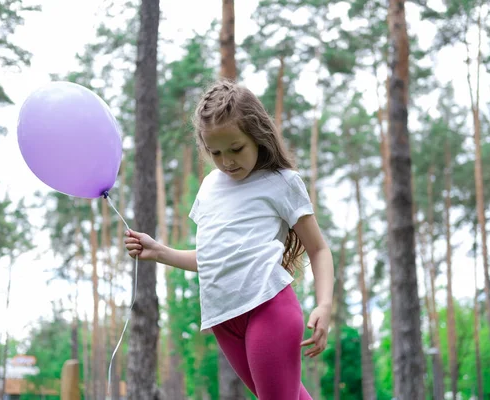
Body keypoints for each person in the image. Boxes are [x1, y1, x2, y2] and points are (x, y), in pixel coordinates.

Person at [125, 80, 334, 400]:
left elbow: (318, 249)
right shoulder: (210, 186)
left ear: (257, 136)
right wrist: (160, 251)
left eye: (236, 149)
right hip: (224, 319)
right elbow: (214, 257)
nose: (226, 161)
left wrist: (324, 303)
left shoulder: (281, 182)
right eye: (215, 152)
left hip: (269, 309)